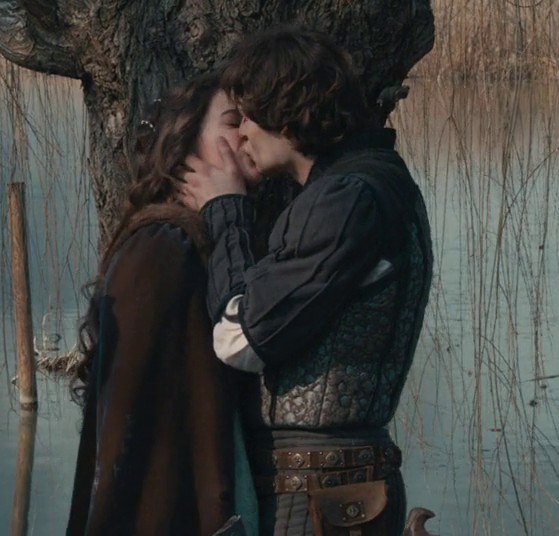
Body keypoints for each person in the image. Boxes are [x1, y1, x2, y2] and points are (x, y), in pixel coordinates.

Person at [180, 26, 434, 535]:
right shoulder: (374, 182)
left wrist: (225, 211)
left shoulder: (346, 201)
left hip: (321, 498)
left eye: (247, 115)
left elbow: (239, 338)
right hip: (338, 491)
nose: (242, 134)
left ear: (285, 110)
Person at [66, 74, 260, 536]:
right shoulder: (164, 248)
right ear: (185, 144)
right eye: (232, 121)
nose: (248, 132)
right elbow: (128, 424)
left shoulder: (206, 241)